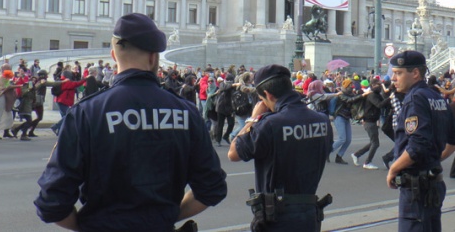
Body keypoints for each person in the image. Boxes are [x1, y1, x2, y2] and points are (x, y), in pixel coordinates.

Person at [34, 13, 227, 231]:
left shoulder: (86, 113)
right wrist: (166, 217)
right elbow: (212, 188)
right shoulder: (187, 112)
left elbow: (51, 203)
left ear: (114, 56)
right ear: (154, 58)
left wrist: (92, 225)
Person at [228, 64, 333, 232]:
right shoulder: (322, 120)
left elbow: (233, 153)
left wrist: (253, 118)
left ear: (268, 95)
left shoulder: (269, 124)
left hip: (276, 219)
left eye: (262, 100)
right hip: (309, 216)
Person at [386, 51, 455, 232]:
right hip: (433, 184)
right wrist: (435, 158)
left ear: (415, 73)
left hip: (415, 189)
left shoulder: (415, 98)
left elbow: (417, 146)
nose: (393, 79)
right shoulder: (436, 97)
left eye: (398, 73)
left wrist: (394, 168)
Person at [351, 78, 386, 169]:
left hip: (372, 121)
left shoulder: (377, 95)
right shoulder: (372, 95)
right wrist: (389, 98)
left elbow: (383, 103)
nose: (379, 87)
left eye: (380, 85)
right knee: (375, 143)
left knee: (373, 142)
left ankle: (357, 154)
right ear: (372, 86)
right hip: (369, 121)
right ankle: (367, 162)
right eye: (377, 85)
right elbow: (380, 105)